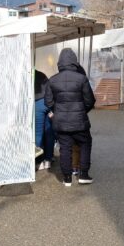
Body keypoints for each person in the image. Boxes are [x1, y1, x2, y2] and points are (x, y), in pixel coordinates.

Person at [44, 49, 96, 187]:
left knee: (65, 148)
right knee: (85, 144)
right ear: (74, 62)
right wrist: (82, 111)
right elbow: (90, 100)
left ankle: (67, 178)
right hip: (80, 121)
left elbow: (48, 102)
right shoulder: (82, 79)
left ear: (59, 63)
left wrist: (57, 111)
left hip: (60, 122)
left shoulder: (52, 80)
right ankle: (83, 175)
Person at [34, 70, 55, 171]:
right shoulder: (41, 74)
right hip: (48, 102)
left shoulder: (26, 73)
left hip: (37, 103)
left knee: (38, 133)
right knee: (49, 132)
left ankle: (38, 161)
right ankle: (48, 160)